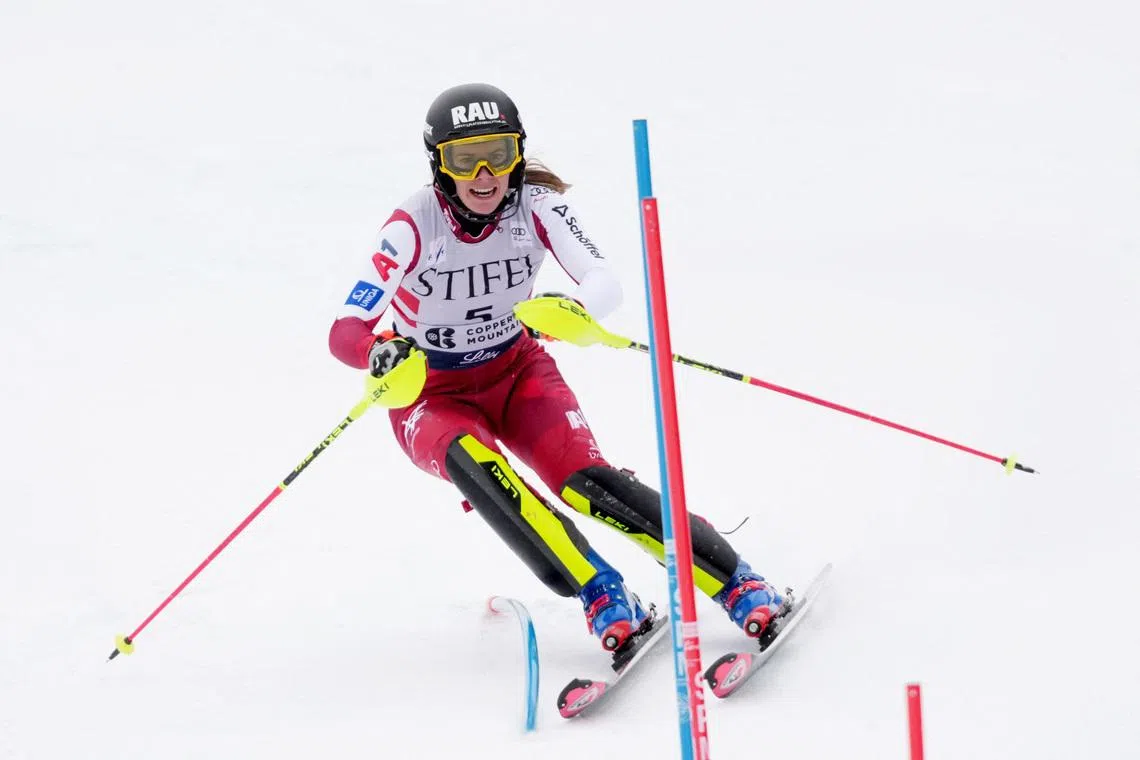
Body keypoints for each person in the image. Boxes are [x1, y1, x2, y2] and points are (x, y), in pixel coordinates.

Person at [329, 83, 785, 655]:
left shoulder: (536, 206)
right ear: (438, 166)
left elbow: (603, 282)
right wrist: (375, 351)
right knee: (488, 477)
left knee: (586, 484)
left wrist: (574, 310)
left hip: (516, 372)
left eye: (498, 153)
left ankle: (739, 583)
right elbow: (345, 328)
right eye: (463, 160)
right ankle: (601, 592)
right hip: (431, 394)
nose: (484, 175)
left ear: (518, 153)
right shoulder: (412, 224)